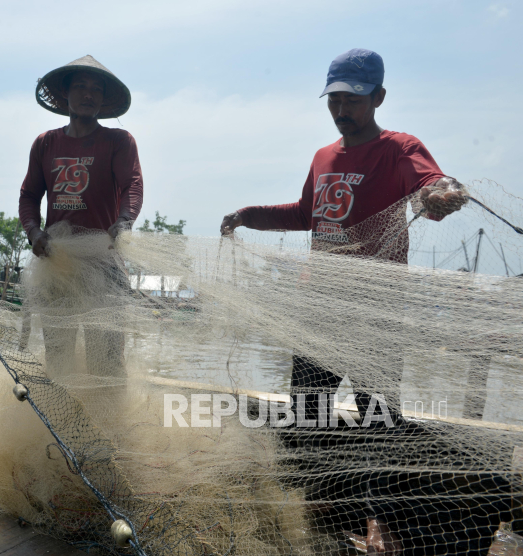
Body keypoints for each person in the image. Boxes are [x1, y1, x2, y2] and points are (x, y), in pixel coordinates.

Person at [219, 49, 467, 555]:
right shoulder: (323, 157)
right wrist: (247, 214)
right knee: (309, 410)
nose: (342, 108)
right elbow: (306, 212)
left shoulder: (399, 148)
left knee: (380, 416)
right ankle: (319, 501)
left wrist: (442, 194)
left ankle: (382, 525)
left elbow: (431, 186)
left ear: (377, 97)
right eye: (335, 98)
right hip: (319, 306)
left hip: (375, 308)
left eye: (353, 98)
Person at [18, 55, 143, 378]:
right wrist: (34, 232)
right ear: (66, 96)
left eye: (96, 90)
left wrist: (124, 220)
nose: (88, 94)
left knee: (108, 359)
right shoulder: (46, 144)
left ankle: (112, 421)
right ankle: (61, 421)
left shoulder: (118, 141)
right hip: (58, 263)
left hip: (104, 261)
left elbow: (132, 184)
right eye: (80, 87)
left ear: (103, 100)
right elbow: (29, 196)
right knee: (58, 355)